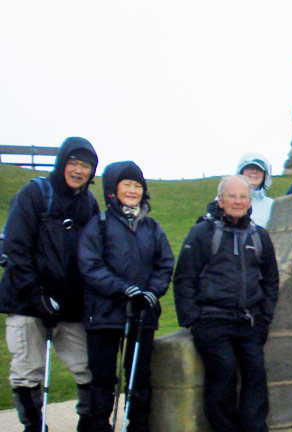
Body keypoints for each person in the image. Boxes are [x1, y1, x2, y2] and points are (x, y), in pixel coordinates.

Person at [0, 137, 99, 432]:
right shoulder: (34, 193)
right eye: (74, 162)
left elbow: (93, 251)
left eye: (86, 165)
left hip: (70, 305)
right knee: (28, 372)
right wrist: (36, 295)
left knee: (88, 367)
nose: (79, 170)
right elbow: (16, 248)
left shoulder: (89, 203)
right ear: (62, 162)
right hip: (27, 302)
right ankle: (34, 426)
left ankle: (88, 421)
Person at [173, 174, 279, 432]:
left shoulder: (259, 236)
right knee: (224, 371)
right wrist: (192, 321)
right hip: (211, 320)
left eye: (243, 196)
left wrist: (264, 318)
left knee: (256, 374)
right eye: (232, 196)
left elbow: (271, 280)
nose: (238, 201)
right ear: (220, 200)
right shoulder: (202, 233)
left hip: (249, 320)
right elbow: (184, 277)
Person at [77, 161, 174, 432]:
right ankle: (99, 424)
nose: (133, 190)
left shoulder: (152, 227)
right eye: (127, 185)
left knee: (139, 375)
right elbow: (90, 265)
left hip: (142, 313)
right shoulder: (99, 224)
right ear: (113, 189)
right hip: (104, 313)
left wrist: (152, 292)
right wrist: (121, 288)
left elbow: (165, 264)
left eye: (137, 185)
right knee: (104, 377)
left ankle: (138, 423)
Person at [236, 152, 274, 228]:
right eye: (250, 168)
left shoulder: (271, 205)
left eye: (259, 169)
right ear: (241, 171)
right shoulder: (226, 199)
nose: (254, 171)